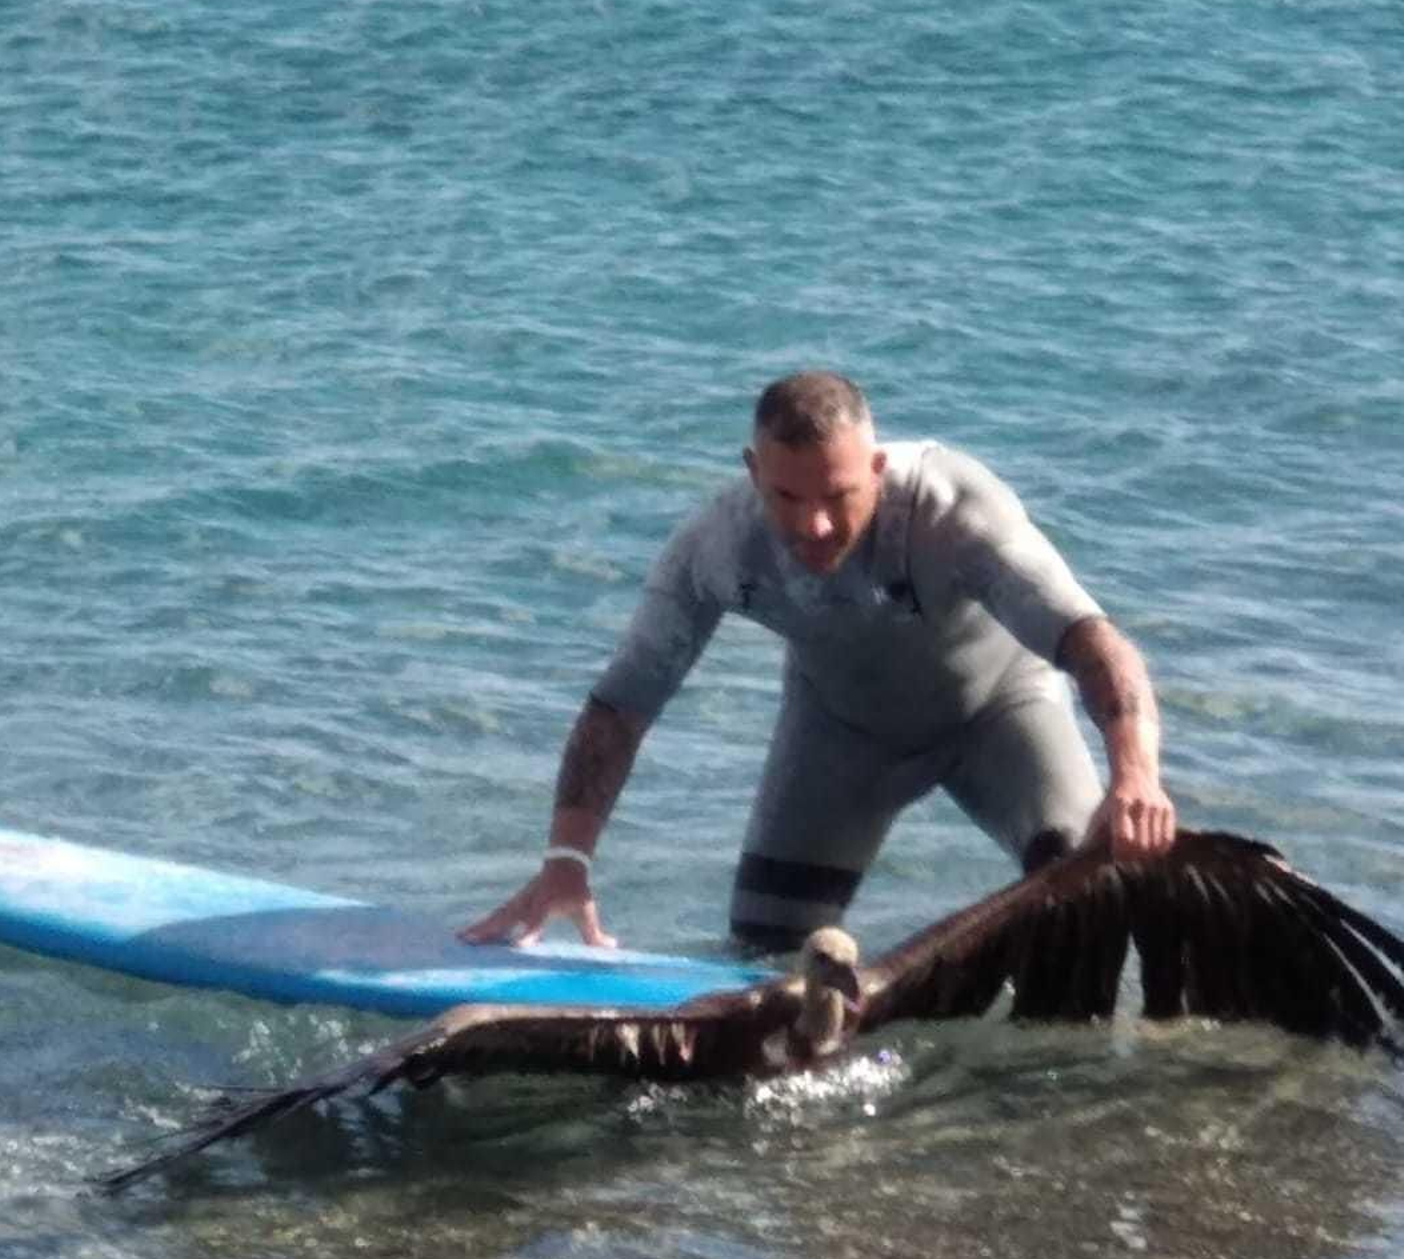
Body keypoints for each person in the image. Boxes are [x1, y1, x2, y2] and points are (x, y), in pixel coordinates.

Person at [463, 370, 1175, 953]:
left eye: (839, 495)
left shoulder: (953, 510)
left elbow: (1092, 640)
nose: (815, 525)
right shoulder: (717, 547)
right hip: (840, 737)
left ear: (876, 466)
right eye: (787, 497)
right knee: (763, 947)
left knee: (1089, 894)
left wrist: (1136, 775)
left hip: (1003, 713)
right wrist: (567, 861)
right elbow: (620, 707)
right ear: (752, 471)